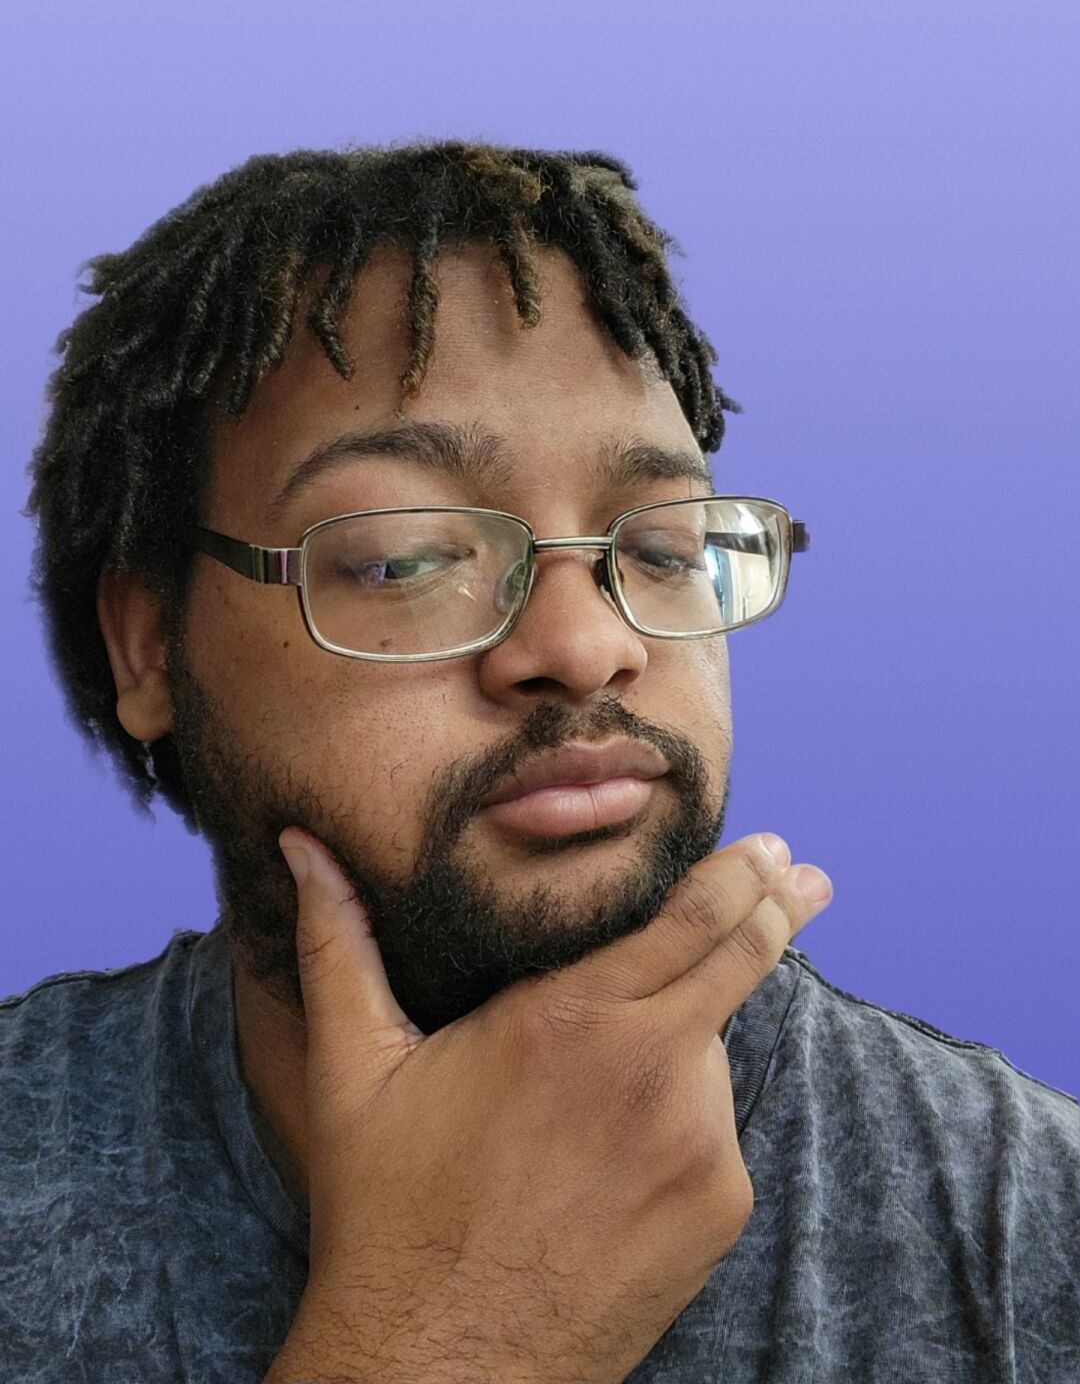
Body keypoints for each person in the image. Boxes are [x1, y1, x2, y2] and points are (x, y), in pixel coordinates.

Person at [4, 141, 1076, 1382]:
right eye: (404, 558)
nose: (585, 646)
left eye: (661, 549)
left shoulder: (1026, 1227)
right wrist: (460, 1336)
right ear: (149, 646)